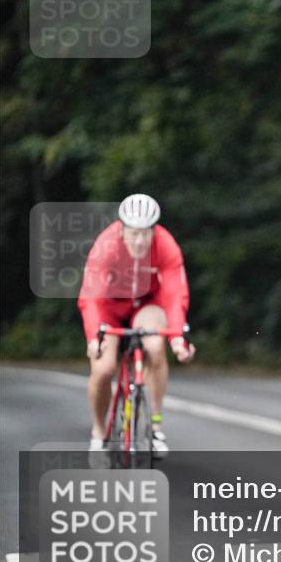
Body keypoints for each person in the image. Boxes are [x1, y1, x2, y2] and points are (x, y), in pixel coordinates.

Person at [78, 194, 196, 457]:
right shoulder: (106, 246)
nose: (140, 241)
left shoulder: (165, 245)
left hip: (146, 305)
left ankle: (155, 427)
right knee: (104, 368)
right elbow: (91, 298)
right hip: (109, 307)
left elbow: (175, 295)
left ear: (154, 230)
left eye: (146, 233)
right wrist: (94, 337)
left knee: (155, 345)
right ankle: (99, 431)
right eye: (134, 234)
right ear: (121, 229)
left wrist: (178, 339)